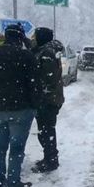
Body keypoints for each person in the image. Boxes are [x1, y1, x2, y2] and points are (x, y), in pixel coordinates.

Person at [0, 24, 38, 187]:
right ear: (20, 38)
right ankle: (13, 182)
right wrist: (34, 104)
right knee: (17, 147)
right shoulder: (26, 56)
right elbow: (35, 84)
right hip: (22, 109)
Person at [30, 27, 64, 173]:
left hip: (48, 99)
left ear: (41, 37)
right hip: (49, 98)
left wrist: (38, 91)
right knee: (46, 131)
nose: (32, 38)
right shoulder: (46, 51)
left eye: (34, 35)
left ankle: (50, 160)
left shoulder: (46, 54)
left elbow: (49, 78)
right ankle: (49, 157)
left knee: (46, 131)